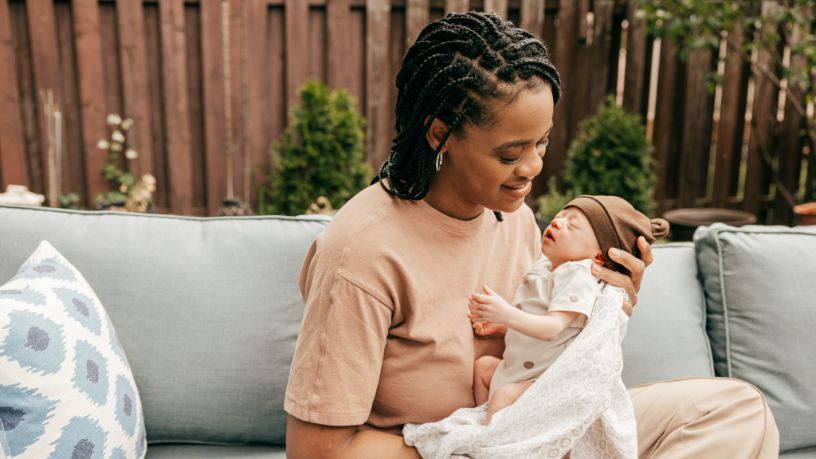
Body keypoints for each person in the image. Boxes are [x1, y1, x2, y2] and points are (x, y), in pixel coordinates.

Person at [284, 11, 779, 459]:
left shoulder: (510, 215)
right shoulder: (361, 254)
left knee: (737, 411)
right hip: (454, 448)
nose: (533, 168)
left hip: (534, 425)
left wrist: (606, 304)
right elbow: (317, 452)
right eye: (509, 153)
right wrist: (470, 447)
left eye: (542, 141)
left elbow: (542, 337)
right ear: (440, 134)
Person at [468, 195, 669, 425]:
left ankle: (491, 439)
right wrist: (504, 327)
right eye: (558, 217)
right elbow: (540, 322)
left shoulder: (578, 274)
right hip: (517, 372)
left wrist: (505, 314)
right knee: (484, 368)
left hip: (543, 381)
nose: (556, 222)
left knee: (504, 394)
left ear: (599, 256)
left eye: (572, 225)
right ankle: (486, 424)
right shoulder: (546, 267)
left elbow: (553, 328)